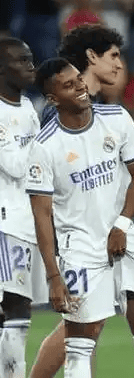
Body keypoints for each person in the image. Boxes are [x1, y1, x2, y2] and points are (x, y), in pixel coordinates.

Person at [30, 25, 134, 378]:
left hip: (116, 232)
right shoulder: (54, 127)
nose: (120, 65)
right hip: (80, 240)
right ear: (92, 57)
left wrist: (122, 220)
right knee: (80, 334)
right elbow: (53, 195)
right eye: (114, 56)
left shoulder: (111, 114)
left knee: (102, 329)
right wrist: (55, 271)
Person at [0, 36, 43, 378]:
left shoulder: (28, 106)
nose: (31, 67)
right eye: (21, 61)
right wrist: (44, 145)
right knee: (14, 308)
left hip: (25, 220)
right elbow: (14, 165)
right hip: (5, 222)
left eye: (30, 59)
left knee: (19, 313)